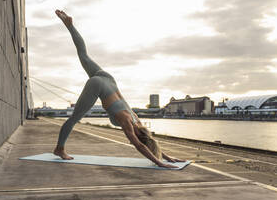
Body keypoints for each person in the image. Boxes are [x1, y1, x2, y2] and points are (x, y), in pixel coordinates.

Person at [53, 10, 185, 168]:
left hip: (109, 79)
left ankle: (70, 26)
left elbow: (148, 142)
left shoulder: (137, 120)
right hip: (98, 84)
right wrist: (159, 162)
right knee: (74, 118)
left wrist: (168, 157)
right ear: (138, 134)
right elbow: (140, 145)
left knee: (84, 55)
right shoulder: (128, 121)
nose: (131, 138)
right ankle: (59, 149)